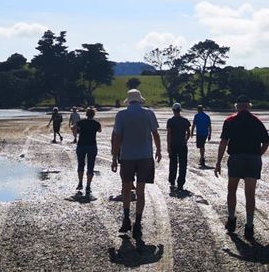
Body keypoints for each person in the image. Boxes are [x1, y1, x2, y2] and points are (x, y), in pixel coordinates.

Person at [215, 95, 269, 242]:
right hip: (252, 158)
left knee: (231, 189)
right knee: (250, 194)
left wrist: (218, 162)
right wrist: (258, 155)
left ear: (237, 106)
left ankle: (231, 219)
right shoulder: (256, 121)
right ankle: (249, 226)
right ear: (249, 106)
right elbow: (266, 142)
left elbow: (223, 142)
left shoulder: (230, 121)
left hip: (236, 158)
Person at [111, 88, 161, 241]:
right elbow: (155, 133)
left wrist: (114, 157)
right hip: (145, 156)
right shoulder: (148, 113)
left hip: (127, 157)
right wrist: (159, 150)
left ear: (128, 101)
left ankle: (126, 219)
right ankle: (138, 223)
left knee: (126, 189)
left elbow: (117, 137)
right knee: (140, 191)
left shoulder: (121, 115)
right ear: (140, 100)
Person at [166, 102, 192, 193]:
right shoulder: (185, 121)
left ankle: (172, 181)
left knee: (173, 164)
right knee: (182, 165)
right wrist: (185, 140)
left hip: (173, 145)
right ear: (180, 110)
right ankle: (180, 184)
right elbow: (189, 133)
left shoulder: (170, 121)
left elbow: (169, 134)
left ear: (173, 110)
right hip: (182, 145)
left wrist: (168, 146)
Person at [75, 107, 101, 195]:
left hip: (81, 144)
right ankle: (88, 186)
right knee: (91, 165)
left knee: (81, 164)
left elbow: (73, 128)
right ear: (94, 114)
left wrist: (78, 132)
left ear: (86, 114)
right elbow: (100, 130)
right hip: (92, 145)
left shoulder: (81, 122)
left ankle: (80, 183)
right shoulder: (96, 123)